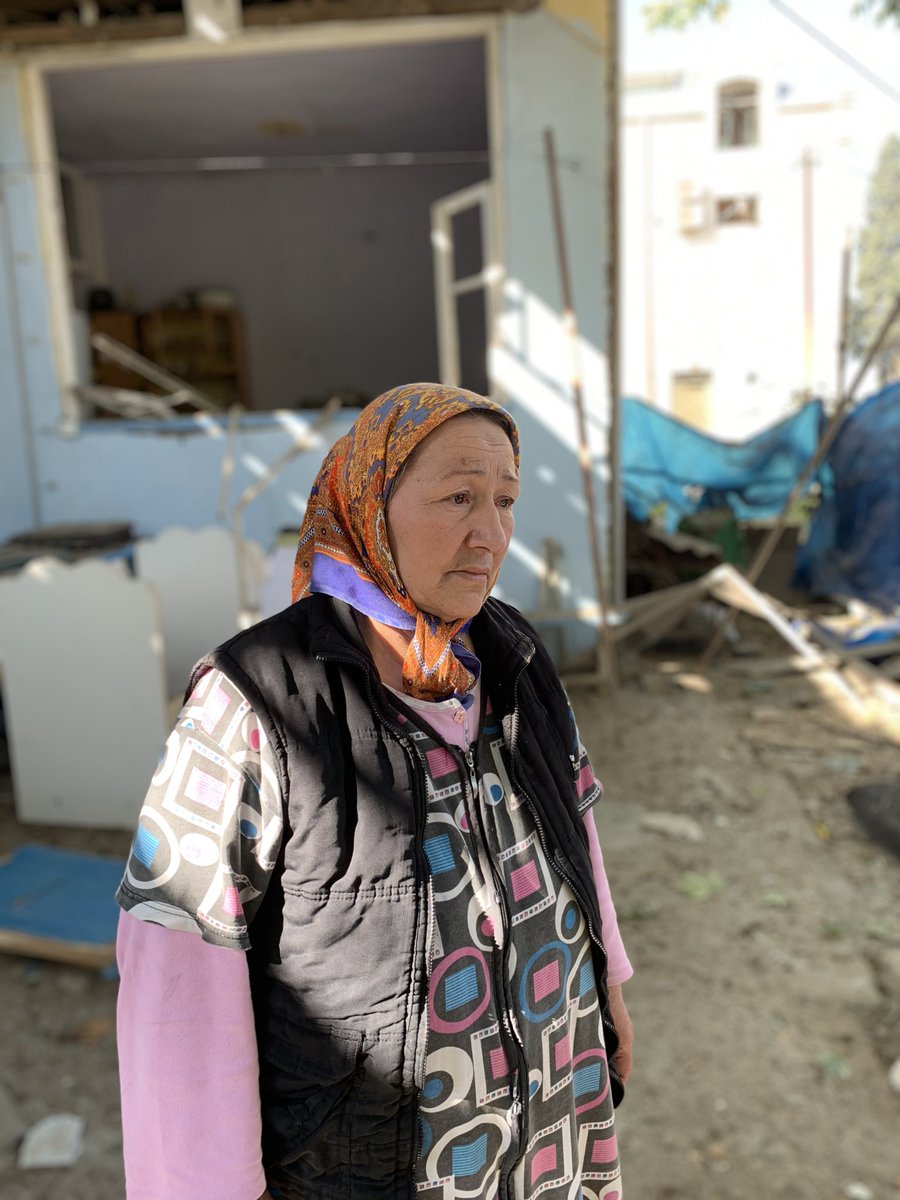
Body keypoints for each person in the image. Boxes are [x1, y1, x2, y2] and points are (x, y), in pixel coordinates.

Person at [115, 382, 634, 1200]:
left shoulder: (511, 652)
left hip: (550, 1117)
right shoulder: (250, 700)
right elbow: (179, 970)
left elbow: (576, 823)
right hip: (376, 1161)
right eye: (458, 497)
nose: (490, 534)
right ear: (369, 503)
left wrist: (608, 986)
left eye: (505, 500)